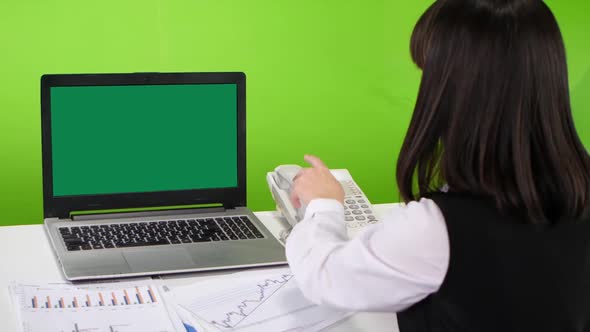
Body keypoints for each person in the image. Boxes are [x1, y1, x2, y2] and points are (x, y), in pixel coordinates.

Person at [285, 0, 590, 331]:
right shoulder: (578, 190)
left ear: (458, 91)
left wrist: (324, 205)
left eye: (428, 73)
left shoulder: (439, 228)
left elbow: (326, 277)